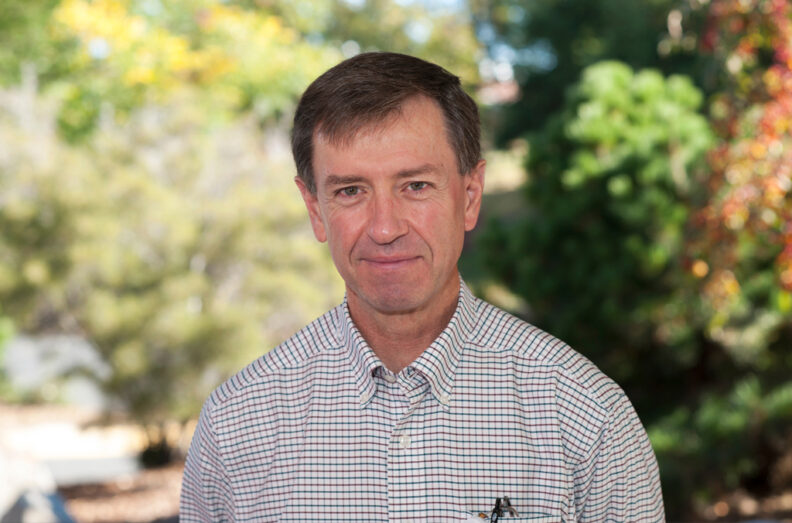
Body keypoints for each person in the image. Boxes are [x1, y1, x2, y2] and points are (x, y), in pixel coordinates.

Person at [180, 52, 665, 522]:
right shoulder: (236, 426)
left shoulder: (583, 415)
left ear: (470, 196)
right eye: (351, 191)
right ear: (314, 209)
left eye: (415, 186)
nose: (385, 227)